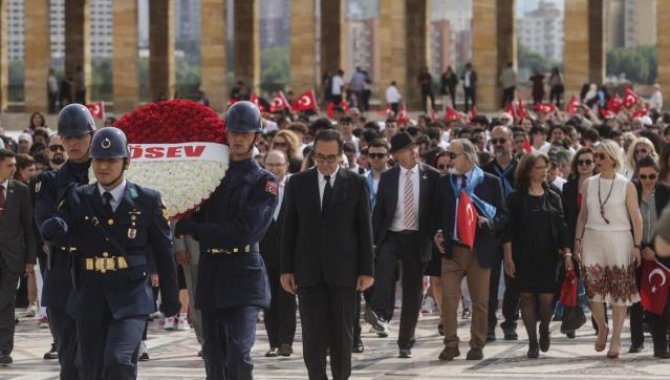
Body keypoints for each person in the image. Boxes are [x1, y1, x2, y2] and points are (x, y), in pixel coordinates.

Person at [39, 127, 179, 379]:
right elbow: (61, 220)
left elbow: (163, 252)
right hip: (89, 295)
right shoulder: (78, 197)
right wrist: (55, 226)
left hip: (131, 297)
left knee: (119, 361)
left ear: (126, 162)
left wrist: (170, 299)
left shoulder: (148, 200)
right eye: (99, 160)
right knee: (90, 368)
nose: (104, 167)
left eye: (111, 160)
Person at [175, 101, 277, 380]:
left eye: (245, 133)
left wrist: (195, 228)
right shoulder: (210, 177)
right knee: (213, 352)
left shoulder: (264, 182)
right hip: (212, 269)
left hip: (243, 271)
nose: (239, 139)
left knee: (239, 351)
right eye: (234, 133)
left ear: (256, 137)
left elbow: (245, 231)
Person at [280, 129, 374, 380]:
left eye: (331, 158)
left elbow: (364, 229)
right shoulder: (297, 183)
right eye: (320, 157)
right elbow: (288, 228)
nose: (325, 163)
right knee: (313, 335)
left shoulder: (356, 183)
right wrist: (286, 269)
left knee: (343, 336)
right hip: (308, 271)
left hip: (344, 272)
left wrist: (367, 270)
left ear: (341, 155)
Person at [34, 103, 96, 379]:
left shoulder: (108, 174)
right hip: (63, 277)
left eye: (79, 136)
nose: (72, 143)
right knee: (70, 362)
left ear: (92, 135)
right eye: (67, 137)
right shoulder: (49, 182)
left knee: (99, 359)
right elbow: (46, 227)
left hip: (100, 276)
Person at [365, 132, 440, 358]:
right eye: (408, 150)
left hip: (417, 238)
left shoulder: (432, 176)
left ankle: (405, 342)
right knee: (384, 268)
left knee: (412, 292)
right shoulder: (388, 177)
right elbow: (379, 212)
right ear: (397, 155)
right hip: (392, 234)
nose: (414, 152)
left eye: (414, 148)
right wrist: (372, 241)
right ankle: (378, 312)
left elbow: (436, 211)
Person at [434, 139, 506, 361]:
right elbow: (435, 213)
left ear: (467, 156)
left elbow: (504, 215)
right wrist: (436, 233)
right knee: (448, 299)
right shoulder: (445, 183)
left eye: (453, 155)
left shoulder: (490, 182)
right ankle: (451, 344)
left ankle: (477, 344)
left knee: (480, 301)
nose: (449, 159)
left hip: (479, 250)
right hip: (452, 250)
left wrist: (489, 222)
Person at [574, 140, 643, 359]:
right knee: (593, 290)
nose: (596, 160)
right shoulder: (589, 184)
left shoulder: (626, 185)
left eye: (601, 156)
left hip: (620, 239)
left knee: (620, 293)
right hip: (593, 238)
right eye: (596, 155)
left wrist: (637, 246)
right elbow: (583, 214)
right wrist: (577, 239)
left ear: (613, 159)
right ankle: (602, 327)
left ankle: (616, 339)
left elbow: (636, 218)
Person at [503, 152, 571, 358]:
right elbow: (508, 230)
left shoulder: (554, 196)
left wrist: (567, 253)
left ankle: (545, 328)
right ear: (527, 171)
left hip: (549, 256)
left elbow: (562, 228)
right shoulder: (515, 198)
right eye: (538, 167)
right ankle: (532, 341)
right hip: (523, 256)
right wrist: (508, 258)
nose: (543, 171)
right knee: (526, 298)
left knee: (547, 299)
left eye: (545, 167)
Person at [481, 126, 520, 341]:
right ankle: (489, 323)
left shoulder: (522, 169)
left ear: (512, 142)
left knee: (514, 280)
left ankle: (510, 321)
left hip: (516, 233)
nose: (498, 144)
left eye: (502, 140)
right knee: (491, 280)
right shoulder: (485, 170)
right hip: (493, 231)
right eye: (494, 141)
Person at [629, 156, 670, 355]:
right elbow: (625, 222)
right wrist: (640, 246)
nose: (647, 180)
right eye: (643, 176)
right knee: (636, 298)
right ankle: (636, 340)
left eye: (652, 176)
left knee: (661, 299)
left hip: (660, 254)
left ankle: (660, 345)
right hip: (636, 252)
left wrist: (653, 247)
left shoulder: (665, 193)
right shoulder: (630, 192)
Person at [0, 149, 36, 364]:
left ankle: (4, 349)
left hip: (12, 258)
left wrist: (30, 259)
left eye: (15, 165)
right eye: (9, 165)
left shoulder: (21, 191)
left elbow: (28, 227)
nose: (14, 169)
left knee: (6, 303)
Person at [260, 150, 296, 358]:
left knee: (287, 299)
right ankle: (274, 342)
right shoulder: (258, 191)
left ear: (287, 167)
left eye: (278, 165)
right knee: (269, 301)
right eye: (270, 164)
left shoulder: (294, 189)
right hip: (265, 255)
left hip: (289, 255)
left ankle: (286, 342)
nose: (274, 169)